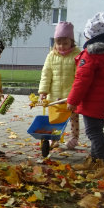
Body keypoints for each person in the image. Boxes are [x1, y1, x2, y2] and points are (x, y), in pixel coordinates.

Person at [64, 12, 104, 167]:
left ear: (92, 37)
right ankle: (94, 161)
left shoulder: (90, 55)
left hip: (92, 102)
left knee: (93, 133)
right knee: (97, 130)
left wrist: (72, 101)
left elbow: (81, 80)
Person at [38, 21, 81, 149]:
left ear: (71, 42)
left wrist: (76, 94)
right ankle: (54, 138)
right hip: (54, 95)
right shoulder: (51, 56)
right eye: (58, 43)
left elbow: (79, 76)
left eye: (65, 43)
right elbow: (46, 75)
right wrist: (43, 92)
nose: (61, 46)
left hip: (70, 96)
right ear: (55, 43)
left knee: (73, 118)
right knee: (55, 119)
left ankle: (74, 137)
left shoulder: (77, 55)